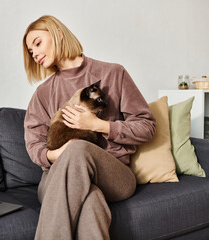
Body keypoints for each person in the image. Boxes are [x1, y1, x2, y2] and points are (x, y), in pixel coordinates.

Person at [22, 15, 156, 240]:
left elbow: (147, 126)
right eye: (30, 51)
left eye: (37, 43)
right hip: (56, 178)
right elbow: (34, 144)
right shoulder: (43, 93)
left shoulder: (113, 74)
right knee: (91, 202)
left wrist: (100, 125)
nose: (34, 54)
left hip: (114, 175)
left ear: (58, 34)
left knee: (78, 148)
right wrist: (57, 154)